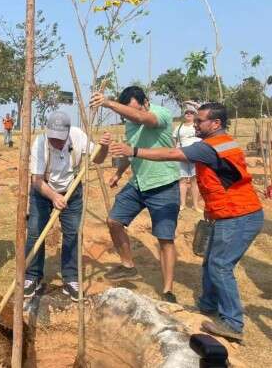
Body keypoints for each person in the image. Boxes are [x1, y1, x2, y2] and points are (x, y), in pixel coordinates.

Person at [109, 102, 263, 342]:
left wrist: (134, 151)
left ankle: (233, 322)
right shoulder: (223, 142)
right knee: (211, 262)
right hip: (229, 212)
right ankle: (208, 305)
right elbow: (224, 180)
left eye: (200, 120)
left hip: (239, 215)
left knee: (220, 265)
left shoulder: (209, 148)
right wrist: (211, 210)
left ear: (216, 123)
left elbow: (171, 154)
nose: (194, 123)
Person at [90, 86, 180, 303]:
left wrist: (109, 103)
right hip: (138, 183)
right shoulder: (130, 124)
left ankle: (167, 290)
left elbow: (143, 118)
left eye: (130, 110)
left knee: (165, 239)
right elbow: (130, 151)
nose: (129, 116)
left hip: (164, 183)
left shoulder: (161, 114)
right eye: (125, 112)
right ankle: (128, 265)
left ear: (145, 102)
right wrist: (118, 173)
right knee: (114, 220)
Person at [24, 112, 111, 301]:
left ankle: (71, 278)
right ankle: (32, 277)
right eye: (52, 137)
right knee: (35, 232)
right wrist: (54, 196)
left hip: (72, 190)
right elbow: (36, 180)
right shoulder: (40, 143)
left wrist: (104, 147)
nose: (55, 142)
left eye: (59, 138)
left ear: (67, 132)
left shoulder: (78, 135)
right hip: (44, 190)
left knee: (73, 234)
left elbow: (98, 159)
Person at [173, 104, 202, 212]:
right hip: (182, 156)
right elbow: (174, 143)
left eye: (191, 112)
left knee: (195, 180)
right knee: (182, 180)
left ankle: (195, 205)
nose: (188, 114)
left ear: (194, 114)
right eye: (186, 112)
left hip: (196, 155)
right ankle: (183, 204)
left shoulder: (198, 126)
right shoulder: (178, 128)